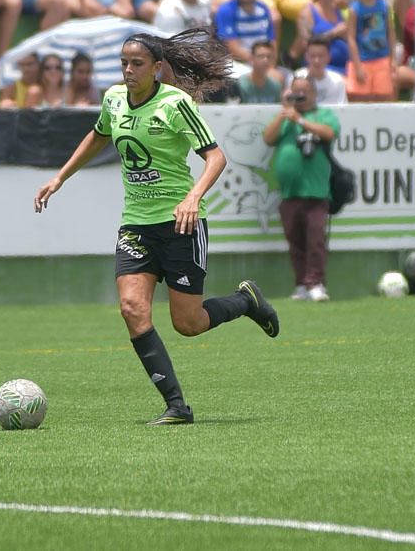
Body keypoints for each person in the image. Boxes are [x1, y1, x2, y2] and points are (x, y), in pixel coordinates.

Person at [34, 27, 280, 426]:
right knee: (132, 309)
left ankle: (246, 301)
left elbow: (215, 158)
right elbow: (97, 136)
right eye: (124, 63)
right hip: (136, 224)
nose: (128, 71)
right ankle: (177, 406)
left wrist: (193, 197)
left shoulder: (175, 104)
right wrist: (60, 177)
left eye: (137, 64)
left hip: (179, 223)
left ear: (158, 68)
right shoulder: (114, 100)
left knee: (188, 323)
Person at [262, 73, 340, 302]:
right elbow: (268, 138)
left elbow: (329, 133)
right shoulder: (285, 117)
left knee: (315, 240)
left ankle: (316, 283)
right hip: (289, 193)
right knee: (295, 241)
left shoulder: (323, 115)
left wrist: (300, 120)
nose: (301, 95)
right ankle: (301, 284)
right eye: (296, 91)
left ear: (314, 93)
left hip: (316, 191)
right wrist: (284, 111)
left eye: (305, 91)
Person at [345, 0, 396, 102]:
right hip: (362, 60)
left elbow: (390, 34)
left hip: (382, 59)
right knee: (361, 97)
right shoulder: (354, 9)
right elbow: (351, 39)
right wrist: (357, 65)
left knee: (383, 96)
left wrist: (393, 60)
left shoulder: (384, 6)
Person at [291, 0, 348, 73]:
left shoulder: (339, 10)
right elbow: (306, 44)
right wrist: (333, 33)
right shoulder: (308, 13)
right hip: (320, 68)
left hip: (346, 66)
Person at [214, 0, 276, 66]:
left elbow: (271, 42)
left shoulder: (263, 8)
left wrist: (270, 64)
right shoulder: (226, 10)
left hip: (263, 62)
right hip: (237, 64)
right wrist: (258, 62)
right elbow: (232, 47)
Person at [299, 39, 347, 105]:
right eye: (313, 56)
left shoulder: (337, 81)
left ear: (329, 57)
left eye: (321, 56)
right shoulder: (297, 78)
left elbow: (343, 108)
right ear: (306, 57)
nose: (316, 60)